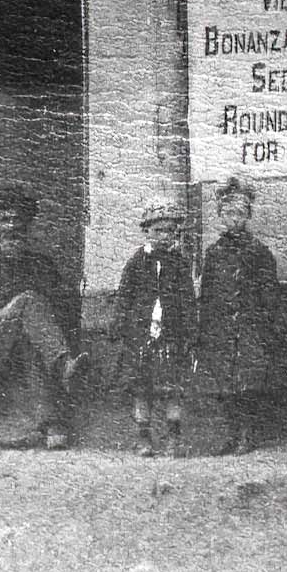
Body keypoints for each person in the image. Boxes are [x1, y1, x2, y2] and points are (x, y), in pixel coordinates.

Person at [0, 188, 87, 449]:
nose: (12, 227)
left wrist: (32, 310)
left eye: (17, 221)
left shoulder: (42, 265)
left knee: (30, 337)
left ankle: (51, 425)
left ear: (27, 228)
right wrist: (2, 313)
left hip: (30, 347)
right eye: (4, 220)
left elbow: (68, 309)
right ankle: (62, 366)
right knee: (27, 303)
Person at [197, 177, 280, 455]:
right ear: (220, 215)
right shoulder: (214, 254)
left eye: (240, 213)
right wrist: (206, 328)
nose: (234, 219)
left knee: (248, 382)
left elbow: (269, 294)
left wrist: (264, 324)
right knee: (225, 383)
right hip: (220, 329)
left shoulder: (259, 253)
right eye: (229, 213)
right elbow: (207, 295)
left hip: (249, 327)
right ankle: (231, 433)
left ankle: (247, 434)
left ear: (248, 216)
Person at [113, 194, 197, 457]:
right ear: (147, 231)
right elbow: (125, 294)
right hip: (141, 335)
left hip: (171, 335)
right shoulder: (137, 262)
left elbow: (187, 299)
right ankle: (143, 437)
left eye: (170, 231)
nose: (164, 236)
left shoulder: (180, 263)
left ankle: (173, 438)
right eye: (158, 231)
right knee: (141, 388)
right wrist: (119, 324)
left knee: (173, 389)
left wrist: (191, 331)